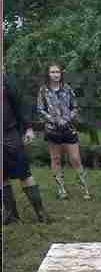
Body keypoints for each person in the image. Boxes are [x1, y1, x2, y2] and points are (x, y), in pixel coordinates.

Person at [2, 69, 51, 224]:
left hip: (10, 134)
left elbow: (21, 106)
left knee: (24, 173)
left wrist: (28, 128)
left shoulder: (6, 81)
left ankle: (41, 212)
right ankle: (11, 215)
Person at [37, 63, 90, 201]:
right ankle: (61, 189)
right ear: (48, 74)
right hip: (52, 130)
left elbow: (75, 106)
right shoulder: (43, 90)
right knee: (56, 159)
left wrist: (67, 118)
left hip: (68, 128)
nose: (55, 74)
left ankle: (85, 188)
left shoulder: (67, 89)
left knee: (75, 159)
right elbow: (40, 109)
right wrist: (53, 119)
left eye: (58, 72)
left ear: (61, 74)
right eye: (52, 72)